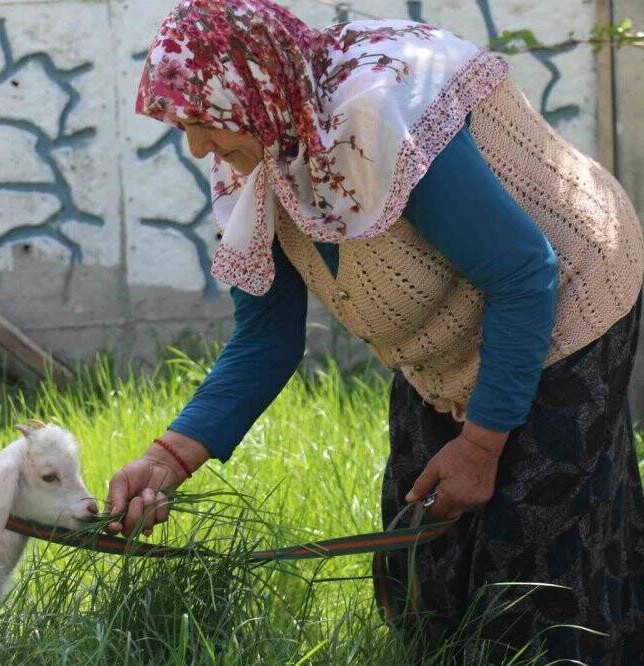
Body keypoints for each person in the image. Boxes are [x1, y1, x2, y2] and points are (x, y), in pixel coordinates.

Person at [104, 0, 644, 662]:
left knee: (531, 563)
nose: (195, 147)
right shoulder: (255, 149)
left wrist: (480, 444)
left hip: (567, 296)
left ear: (254, 91)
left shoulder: (377, 119)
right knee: (420, 558)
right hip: (446, 338)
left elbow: (525, 274)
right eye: (183, 125)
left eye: (201, 122)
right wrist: (165, 462)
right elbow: (267, 339)